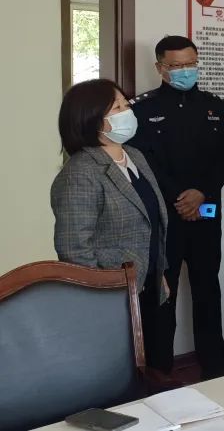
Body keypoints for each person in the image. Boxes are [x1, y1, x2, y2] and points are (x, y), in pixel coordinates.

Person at [129, 35, 224, 380]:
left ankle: (216, 365)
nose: (185, 71)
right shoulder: (141, 110)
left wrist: (202, 192)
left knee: (208, 287)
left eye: (191, 63)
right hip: (166, 214)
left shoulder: (215, 107)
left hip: (206, 210)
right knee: (163, 291)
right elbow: (143, 162)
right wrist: (181, 197)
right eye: (176, 66)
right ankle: (160, 371)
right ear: (160, 68)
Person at [51, 79, 170, 374]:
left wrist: (159, 271)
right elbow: (74, 249)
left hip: (147, 284)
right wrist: (100, 297)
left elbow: (151, 221)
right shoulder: (81, 171)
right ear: (92, 118)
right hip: (111, 295)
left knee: (154, 367)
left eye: (126, 104)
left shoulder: (135, 156)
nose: (127, 111)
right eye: (117, 107)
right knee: (122, 375)